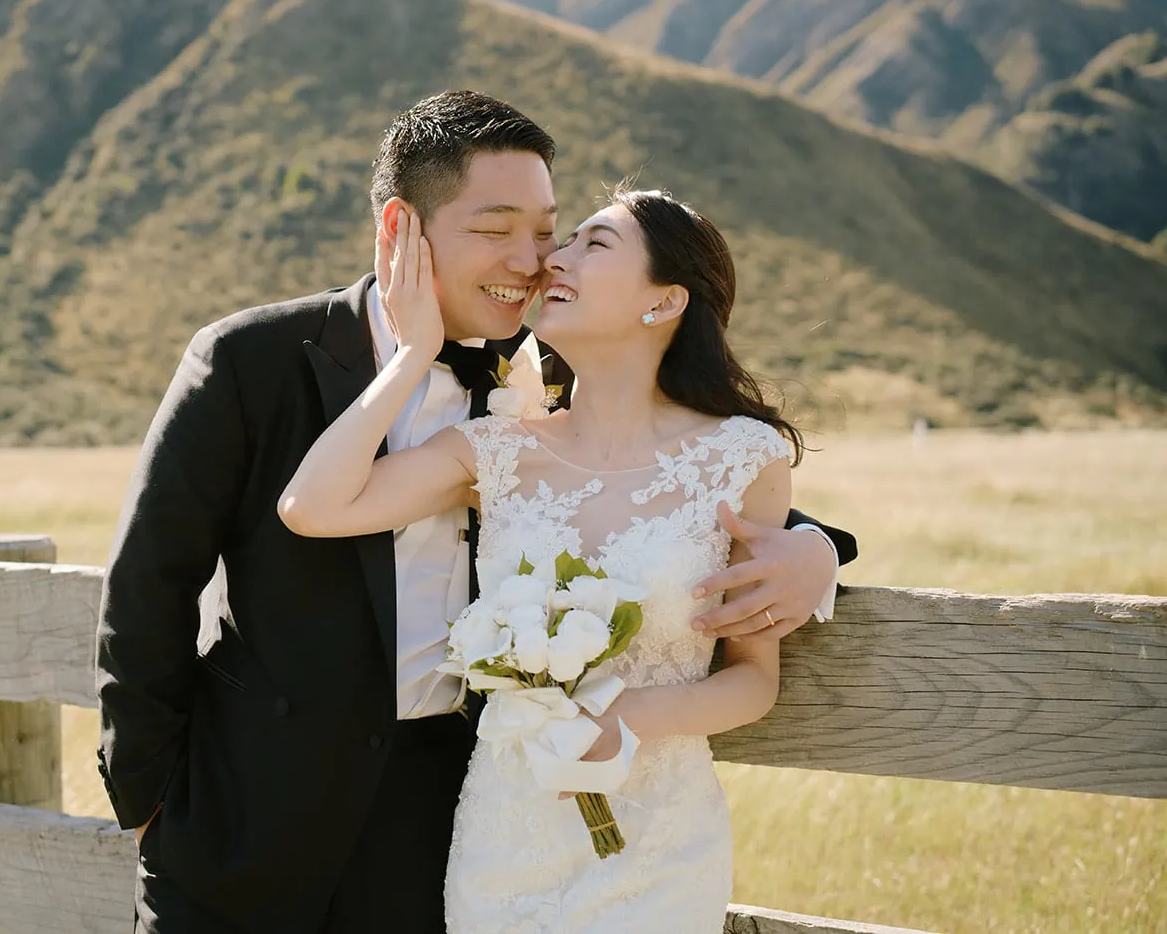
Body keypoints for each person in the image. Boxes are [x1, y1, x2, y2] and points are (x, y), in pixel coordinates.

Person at [95, 91, 855, 934]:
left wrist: (815, 549)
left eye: (548, 231)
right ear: (401, 230)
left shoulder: (555, 372)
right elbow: (147, 584)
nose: (534, 262)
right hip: (249, 808)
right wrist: (147, 797)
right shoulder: (247, 359)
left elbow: (665, 494)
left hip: (439, 813)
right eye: (498, 230)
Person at [279, 182, 816, 931]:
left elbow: (753, 679)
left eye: (592, 244)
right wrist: (411, 356)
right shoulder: (497, 449)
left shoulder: (743, 457)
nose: (552, 261)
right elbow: (311, 506)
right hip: (507, 834)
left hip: (656, 839)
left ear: (663, 301)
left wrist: (627, 717)